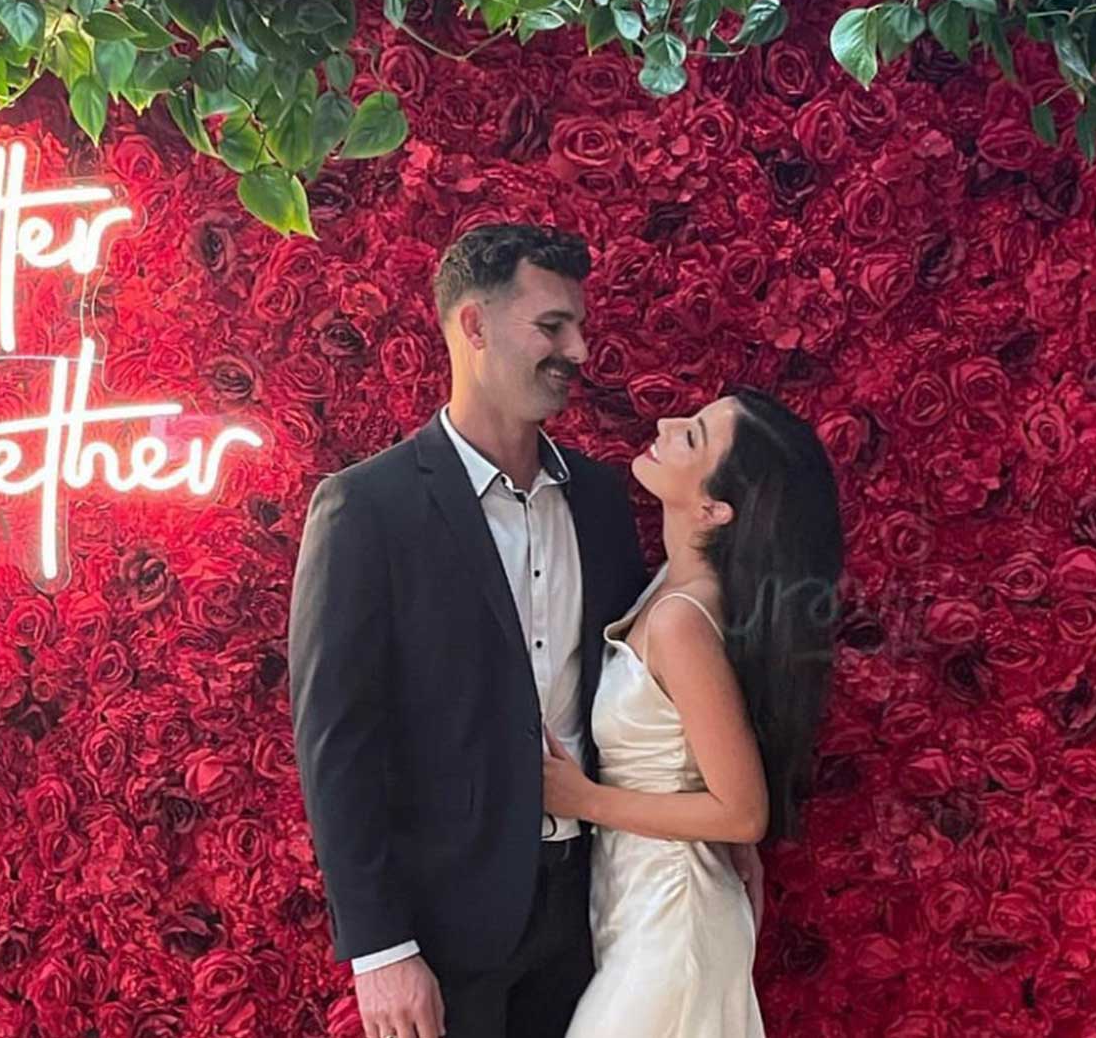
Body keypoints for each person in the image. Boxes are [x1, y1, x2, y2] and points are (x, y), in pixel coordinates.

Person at [289, 223, 762, 1038]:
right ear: (473, 327)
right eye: (551, 326)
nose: (577, 349)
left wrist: (720, 833)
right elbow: (337, 740)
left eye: (578, 326)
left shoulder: (603, 501)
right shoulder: (368, 507)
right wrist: (379, 948)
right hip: (445, 930)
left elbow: (644, 690)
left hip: (598, 907)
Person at [541, 388, 845, 1037]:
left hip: (672, 923)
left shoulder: (683, 619)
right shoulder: (671, 587)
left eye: (693, 436)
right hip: (642, 911)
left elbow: (743, 811)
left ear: (715, 507)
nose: (665, 422)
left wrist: (583, 798)